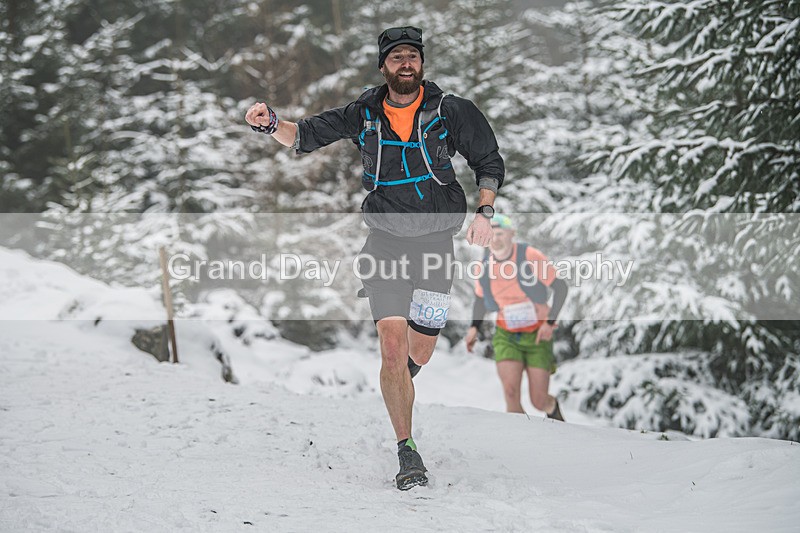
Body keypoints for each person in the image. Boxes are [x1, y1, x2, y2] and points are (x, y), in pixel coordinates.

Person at [245, 26, 504, 490]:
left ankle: (397, 382)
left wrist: (485, 212)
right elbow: (303, 135)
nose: (406, 64)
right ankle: (407, 452)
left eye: (412, 57)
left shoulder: (450, 111)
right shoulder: (364, 113)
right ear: (383, 66)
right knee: (391, 345)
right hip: (383, 242)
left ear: (421, 64)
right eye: (397, 57)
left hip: (435, 245)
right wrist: (269, 124)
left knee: (419, 349)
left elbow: (488, 160)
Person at [466, 214, 568, 420]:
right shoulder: (484, 266)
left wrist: (550, 323)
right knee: (511, 394)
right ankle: (525, 444)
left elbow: (560, 287)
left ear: (512, 234)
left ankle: (554, 410)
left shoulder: (529, 256)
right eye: (491, 234)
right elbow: (479, 299)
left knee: (539, 400)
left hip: (537, 334)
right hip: (506, 335)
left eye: (501, 233)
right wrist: (474, 327)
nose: (495, 238)